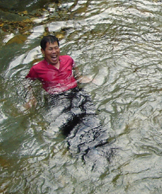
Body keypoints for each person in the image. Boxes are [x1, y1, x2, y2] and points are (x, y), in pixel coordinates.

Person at [25, 35, 115, 165]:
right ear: (43, 51)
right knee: (71, 129)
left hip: (76, 93)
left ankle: (107, 149)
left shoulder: (68, 59)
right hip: (57, 99)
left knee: (92, 120)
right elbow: (26, 82)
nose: (54, 51)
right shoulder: (37, 68)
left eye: (56, 48)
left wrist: (84, 78)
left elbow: (76, 72)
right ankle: (87, 157)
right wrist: (31, 97)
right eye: (50, 49)